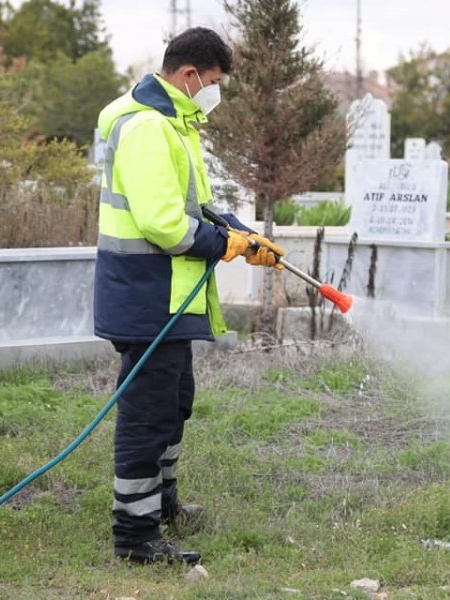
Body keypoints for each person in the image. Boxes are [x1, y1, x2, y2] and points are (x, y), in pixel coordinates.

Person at [93, 27, 282, 565]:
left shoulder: (175, 123)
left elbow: (196, 206)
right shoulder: (148, 127)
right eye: (214, 82)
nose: (214, 94)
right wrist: (228, 245)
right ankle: (135, 536)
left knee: (174, 405)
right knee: (147, 416)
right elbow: (164, 225)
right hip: (145, 295)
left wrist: (244, 235)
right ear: (189, 75)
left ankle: (163, 503)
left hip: (166, 298)